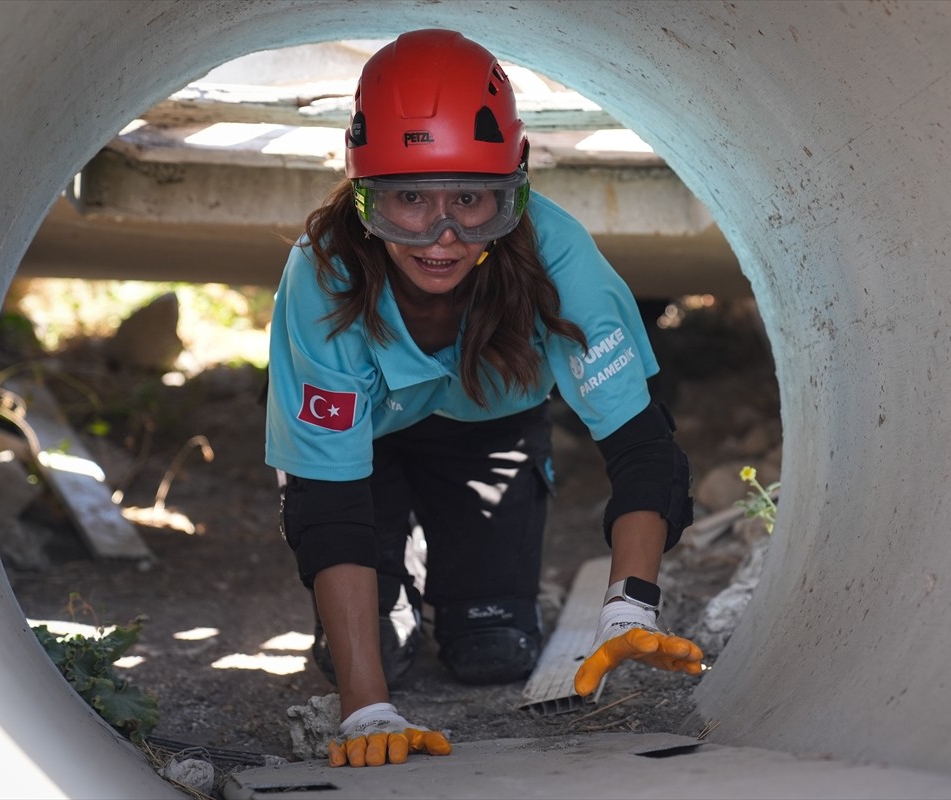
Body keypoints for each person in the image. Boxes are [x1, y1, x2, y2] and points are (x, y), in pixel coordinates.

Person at [264, 29, 704, 768]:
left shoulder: (560, 257)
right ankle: (388, 598)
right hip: (363, 454)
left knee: (491, 648)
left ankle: (444, 589)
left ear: (517, 182)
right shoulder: (323, 273)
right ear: (361, 186)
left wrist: (631, 604)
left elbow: (643, 449)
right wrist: (365, 711)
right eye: (407, 199)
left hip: (490, 434)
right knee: (364, 659)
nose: (441, 235)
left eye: (471, 198)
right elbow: (327, 501)